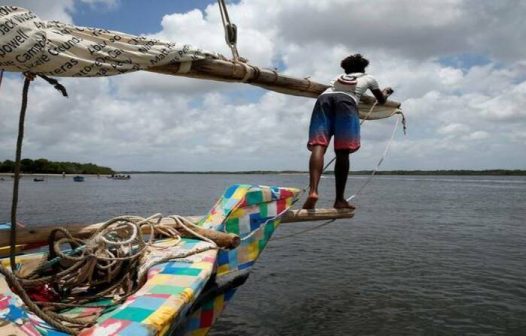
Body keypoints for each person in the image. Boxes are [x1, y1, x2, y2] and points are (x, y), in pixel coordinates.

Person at [303, 54, 393, 209]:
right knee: (342, 152)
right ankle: (339, 200)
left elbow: (334, 90)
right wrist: (386, 92)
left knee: (319, 145)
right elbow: (381, 100)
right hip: (346, 102)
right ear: (363, 67)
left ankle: (313, 191)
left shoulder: (337, 77)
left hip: (324, 99)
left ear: (345, 68)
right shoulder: (369, 78)